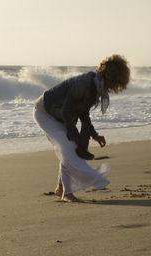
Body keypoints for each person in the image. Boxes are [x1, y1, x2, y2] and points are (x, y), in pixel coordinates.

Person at [33, 54, 130, 202]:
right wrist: (74, 134)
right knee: (69, 146)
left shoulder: (96, 87)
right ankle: (67, 193)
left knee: (67, 149)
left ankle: (61, 189)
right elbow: (67, 109)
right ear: (113, 76)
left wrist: (94, 135)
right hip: (45, 113)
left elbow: (83, 113)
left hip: (60, 115)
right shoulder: (85, 83)